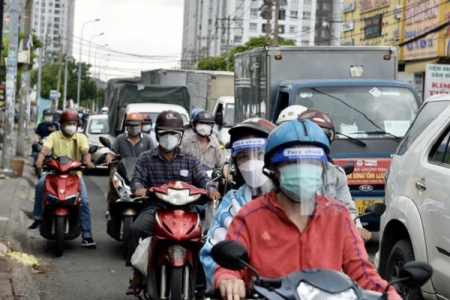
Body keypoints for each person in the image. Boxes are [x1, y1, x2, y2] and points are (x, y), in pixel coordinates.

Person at [214, 119, 401, 300]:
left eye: (311, 163)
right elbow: (228, 268)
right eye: (293, 162)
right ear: (274, 168)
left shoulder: (339, 215)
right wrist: (228, 280)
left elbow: (363, 273)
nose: (303, 170)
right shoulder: (249, 217)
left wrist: (389, 294)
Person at [125, 110, 221, 296]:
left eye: (174, 134)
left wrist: (212, 190)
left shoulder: (190, 159)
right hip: (156, 208)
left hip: (187, 209)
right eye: (164, 133)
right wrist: (139, 188)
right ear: (157, 134)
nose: (169, 137)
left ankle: (201, 288)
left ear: (180, 136)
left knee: (203, 240)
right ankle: (137, 274)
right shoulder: (146, 158)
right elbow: (137, 180)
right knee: (136, 229)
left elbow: (204, 179)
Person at [199, 118, 276, 285]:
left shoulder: (297, 200)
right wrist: (226, 279)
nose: (251, 162)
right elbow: (213, 250)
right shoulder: (233, 203)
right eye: (243, 156)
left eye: (259, 154)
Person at [298, 108, 372, 242]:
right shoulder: (288, 173)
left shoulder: (336, 174)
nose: (314, 146)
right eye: (309, 139)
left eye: (320, 140)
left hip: (329, 240)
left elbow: (348, 209)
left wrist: (357, 229)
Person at [28, 109, 97, 248]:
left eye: (74, 123)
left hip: (74, 174)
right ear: (62, 124)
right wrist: (40, 160)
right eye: (68, 123)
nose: (71, 125)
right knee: (40, 185)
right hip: (54, 172)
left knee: (83, 200)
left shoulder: (80, 137)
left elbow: (85, 151)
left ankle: (87, 235)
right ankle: (37, 218)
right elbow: (45, 149)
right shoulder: (54, 136)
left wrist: (88, 162)